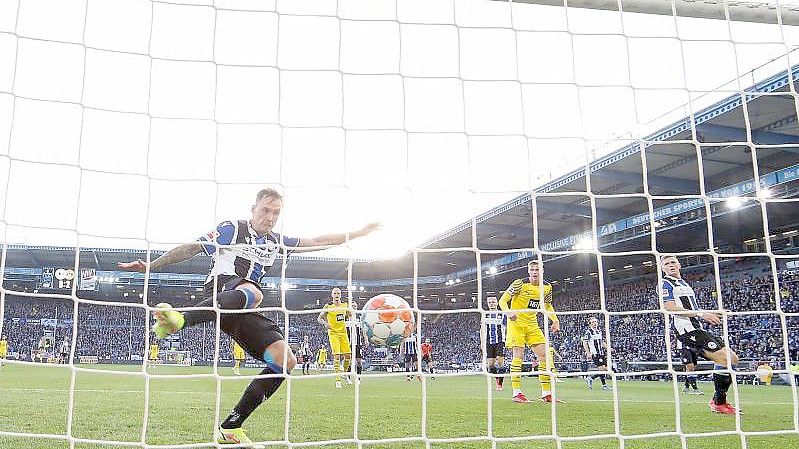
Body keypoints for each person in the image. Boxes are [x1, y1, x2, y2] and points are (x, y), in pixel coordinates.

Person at [118, 188, 379, 444]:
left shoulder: (276, 241)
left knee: (285, 360)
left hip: (241, 308)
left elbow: (317, 241)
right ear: (253, 209)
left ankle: (231, 426)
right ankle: (181, 318)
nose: (270, 217)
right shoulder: (233, 228)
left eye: (276, 213)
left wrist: (357, 234)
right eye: (266, 210)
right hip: (221, 290)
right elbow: (193, 247)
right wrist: (151, 266)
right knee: (255, 292)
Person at [660, 255, 740, 415]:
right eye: (666, 264)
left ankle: (717, 399)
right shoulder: (665, 283)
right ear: (663, 268)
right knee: (724, 360)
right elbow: (668, 307)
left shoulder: (683, 283)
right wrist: (702, 313)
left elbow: (691, 307)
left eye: (673, 262)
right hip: (686, 331)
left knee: (733, 359)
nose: (670, 265)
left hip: (698, 328)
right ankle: (719, 403)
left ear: (679, 265)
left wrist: (712, 312)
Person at [499, 260, 561, 403]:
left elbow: (547, 305)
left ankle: (546, 394)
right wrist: (508, 313)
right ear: (528, 271)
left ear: (542, 271)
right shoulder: (519, 284)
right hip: (516, 323)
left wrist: (555, 320)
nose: (534, 272)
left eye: (537, 270)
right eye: (532, 270)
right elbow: (502, 301)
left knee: (545, 356)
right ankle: (517, 393)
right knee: (518, 356)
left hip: (532, 324)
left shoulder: (547, 287)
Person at [318, 287, 353, 388]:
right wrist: (325, 323)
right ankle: (337, 380)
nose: (337, 295)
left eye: (338, 293)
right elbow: (319, 318)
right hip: (333, 333)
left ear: (340, 295)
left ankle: (345, 374)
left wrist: (352, 310)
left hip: (343, 333)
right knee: (337, 356)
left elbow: (350, 314)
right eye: (335, 293)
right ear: (332, 295)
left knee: (348, 356)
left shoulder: (345, 305)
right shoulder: (328, 306)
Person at [483, 296, 507, 391]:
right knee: (490, 365)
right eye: (489, 302)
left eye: (493, 302)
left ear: (497, 303)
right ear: (488, 304)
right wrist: (482, 343)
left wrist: (508, 339)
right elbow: (482, 329)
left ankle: (500, 384)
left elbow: (507, 327)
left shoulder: (502, 314)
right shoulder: (485, 314)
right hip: (489, 342)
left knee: (500, 361)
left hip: (500, 341)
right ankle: (497, 377)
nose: (491, 304)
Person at [582, 317, 610, 390]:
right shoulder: (588, 332)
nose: (595, 323)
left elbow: (601, 342)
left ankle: (603, 385)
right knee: (604, 369)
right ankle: (591, 378)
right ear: (590, 324)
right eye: (593, 322)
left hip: (602, 353)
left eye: (596, 321)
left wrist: (608, 348)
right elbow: (585, 343)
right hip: (595, 354)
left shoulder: (599, 331)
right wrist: (588, 353)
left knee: (603, 370)